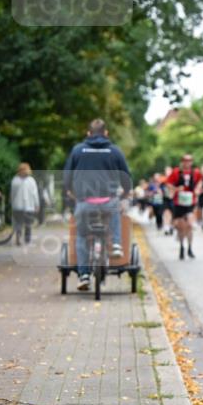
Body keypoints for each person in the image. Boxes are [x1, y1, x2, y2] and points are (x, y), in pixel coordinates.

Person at [62, 119, 131, 290]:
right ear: (106, 133)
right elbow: (126, 176)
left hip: (85, 202)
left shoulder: (78, 150)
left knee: (82, 236)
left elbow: (67, 177)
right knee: (115, 207)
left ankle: (84, 275)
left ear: (88, 134)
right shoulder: (114, 151)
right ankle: (115, 243)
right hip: (108, 200)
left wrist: (70, 192)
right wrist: (125, 193)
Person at [166, 154, 202, 260]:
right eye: (185, 161)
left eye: (189, 160)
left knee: (190, 225)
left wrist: (197, 189)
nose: (187, 162)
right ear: (182, 162)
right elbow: (168, 183)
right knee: (181, 227)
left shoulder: (195, 172)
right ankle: (182, 246)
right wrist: (176, 189)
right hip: (179, 202)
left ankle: (190, 248)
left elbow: (200, 182)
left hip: (191, 201)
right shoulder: (176, 172)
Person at [10, 163, 40, 245]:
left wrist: (12, 204)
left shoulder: (15, 180)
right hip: (28, 206)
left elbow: (12, 194)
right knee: (28, 224)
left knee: (18, 223)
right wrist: (37, 204)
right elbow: (35, 194)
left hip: (17, 206)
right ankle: (27, 240)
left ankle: (18, 237)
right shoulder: (31, 180)